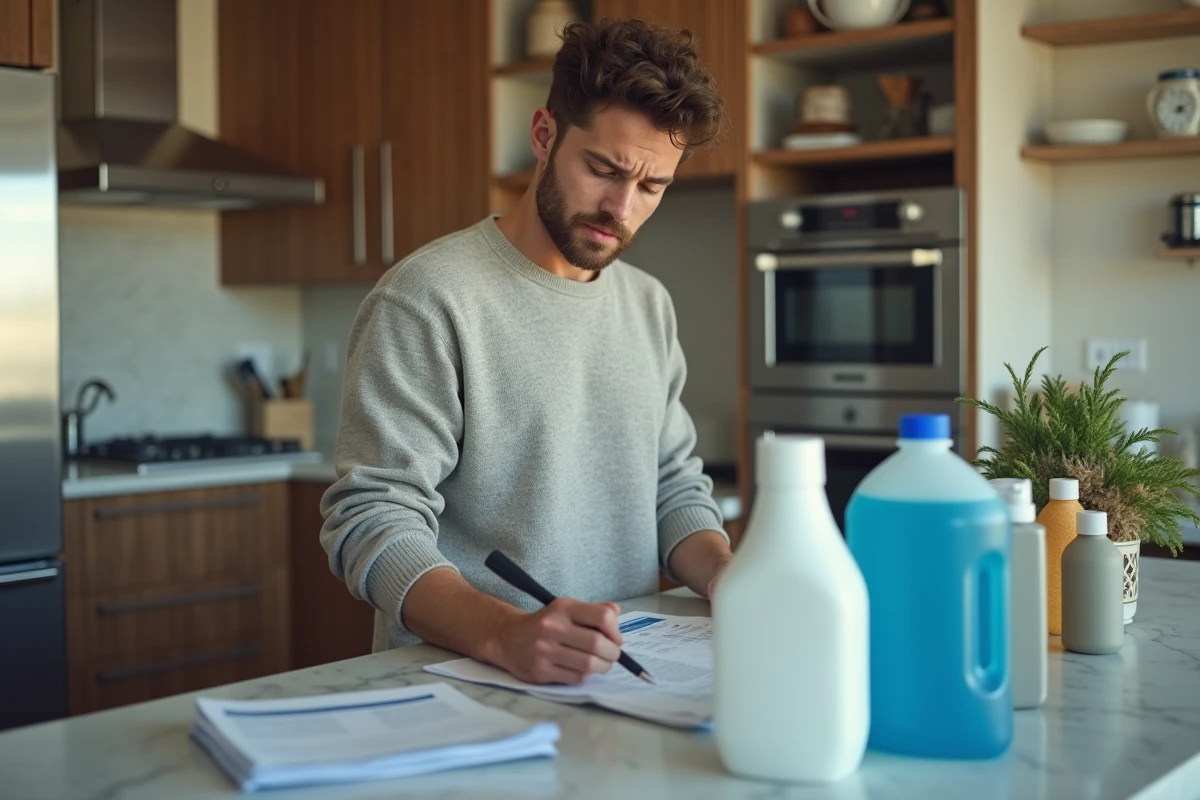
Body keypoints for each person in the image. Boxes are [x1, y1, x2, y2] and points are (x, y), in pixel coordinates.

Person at [320, 17, 733, 686]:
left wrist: (726, 575)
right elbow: (371, 521)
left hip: (614, 681)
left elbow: (673, 485)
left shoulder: (648, 304)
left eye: (652, 187)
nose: (621, 209)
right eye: (603, 169)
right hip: (459, 686)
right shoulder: (428, 297)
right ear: (544, 136)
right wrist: (504, 634)